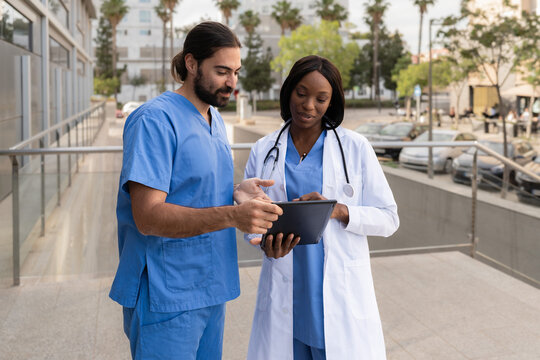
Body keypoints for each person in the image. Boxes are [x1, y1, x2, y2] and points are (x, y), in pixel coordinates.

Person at [109, 21, 283, 360]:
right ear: (191, 64)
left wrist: (236, 191)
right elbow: (148, 216)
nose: (231, 82)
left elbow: (189, 188)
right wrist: (235, 216)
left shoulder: (214, 119)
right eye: (221, 71)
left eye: (236, 72)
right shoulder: (154, 120)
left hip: (211, 287)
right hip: (167, 294)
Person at [243, 55, 400, 360]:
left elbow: (389, 218)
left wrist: (340, 210)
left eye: (321, 98)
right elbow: (248, 220)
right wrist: (263, 244)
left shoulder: (355, 147)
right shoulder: (264, 150)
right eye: (301, 93)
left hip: (338, 299)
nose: (308, 105)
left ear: (332, 102)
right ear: (288, 91)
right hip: (286, 294)